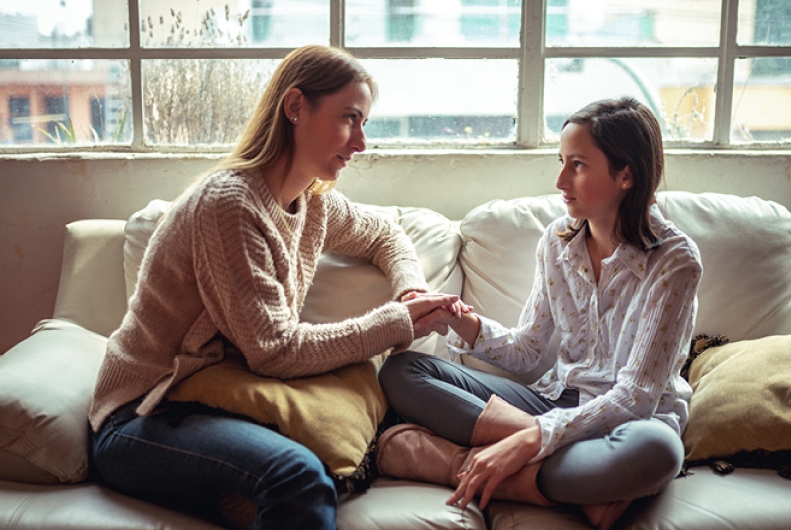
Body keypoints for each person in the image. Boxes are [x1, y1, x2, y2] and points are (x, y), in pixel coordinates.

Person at [88, 45, 461, 530]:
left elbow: (385, 234)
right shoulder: (229, 205)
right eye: (350, 118)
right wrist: (395, 322)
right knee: (296, 477)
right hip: (143, 413)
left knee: (370, 426)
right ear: (295, 107)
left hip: (217, 398)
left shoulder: (313, 204)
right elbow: (275, 351)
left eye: (364, 122)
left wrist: (410, 290)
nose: (361, 142)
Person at [376, 97, 703, 530]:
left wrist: (535, 438)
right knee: (403, 372)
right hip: (552, 402)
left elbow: (635, 398)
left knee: (656, 453)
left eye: (578, 165)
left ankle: (458, 463)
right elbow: (528, 351)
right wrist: (458, 320)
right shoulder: (557, 241)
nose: (560, 180)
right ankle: (573, 485)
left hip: (630, 422)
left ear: (626, 174)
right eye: (561, 161)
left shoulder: (675, 261)